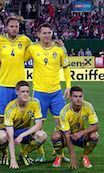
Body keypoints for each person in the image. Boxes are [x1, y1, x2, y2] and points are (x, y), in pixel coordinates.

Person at [24, 22, 71, 161]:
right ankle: (40, 154)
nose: (46, 35)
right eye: (43, 33)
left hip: (56, 93)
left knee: (62, 125)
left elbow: (66, 68)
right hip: (39, 93)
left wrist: (68, 86)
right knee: (38, 127)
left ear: (52, 34)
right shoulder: (32, 48)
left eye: (49, 32)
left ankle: (59, 153)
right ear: (38, 34)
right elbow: (21, 59)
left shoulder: (59, 50)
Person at [0, 16, 32, 163]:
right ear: (6, 28)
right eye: (12, 26)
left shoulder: (25, 40)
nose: (14, 28)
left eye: (17, 26)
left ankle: (25, 152)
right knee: (1, 120)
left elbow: (37, 48)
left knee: (24, 119)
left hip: (20, 87)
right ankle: (4, 152)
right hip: (4, 85)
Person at [51, 86, 99, 169]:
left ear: (83, 96)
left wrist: (81, 133)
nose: (78, 99)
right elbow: (67, 135)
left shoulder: (88, 106)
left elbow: (96, 126)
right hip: (65, 137)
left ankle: (85, 156)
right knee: (55, 136)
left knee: (95, 136)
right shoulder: (64, 112)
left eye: (80, 96)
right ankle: (59, 156)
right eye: (75, 96)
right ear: (70, 97)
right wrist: (72, 155)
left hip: (80, 136)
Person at [4, 81, 47, 168]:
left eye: (27, 91)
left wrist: (22, 135)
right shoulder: (10, 108)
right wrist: (13, 160)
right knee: (1, 137)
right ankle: (4, 154)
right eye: (22, 92)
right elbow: (10, 135)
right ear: (17, 92)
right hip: (11, 131)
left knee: (42, 135)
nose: (25, 94)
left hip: (24, 130)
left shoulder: (35, 102)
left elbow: (39, 125)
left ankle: (24, 153)